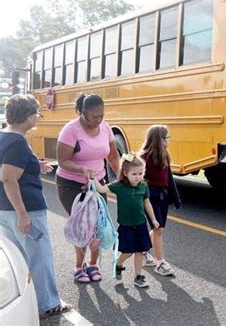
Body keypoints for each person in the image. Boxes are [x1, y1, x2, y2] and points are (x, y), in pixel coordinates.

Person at [0, 94, 72, 319]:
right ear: (26, 116)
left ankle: (29, 300)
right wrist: (23, 214)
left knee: (19, 257)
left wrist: (34, 165)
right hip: (25, 208)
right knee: (39, 257)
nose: (38, 117)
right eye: (36, 113)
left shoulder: (4, 136)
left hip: (5, 208)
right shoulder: (18, 142)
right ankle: (47, 304)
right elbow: (8, 177)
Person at [56, 94, 120, 284]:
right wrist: (82, 169)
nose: (99, 120)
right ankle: (78, 266)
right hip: (71, 184)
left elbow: (113, 157)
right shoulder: (70, 130)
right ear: (83, 113)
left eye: (102, 115)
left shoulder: (105, 127)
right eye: (95, 117)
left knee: (98, 224)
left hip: (97, 183)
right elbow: (62, 161)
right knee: (83, 225)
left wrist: (122, 176)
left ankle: (93, 264)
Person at [91, 153, 160, 288]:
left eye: (140, 173)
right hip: (126, 226)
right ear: (125, 173)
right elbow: (101, 189)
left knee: (141, 251)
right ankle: (118, 264)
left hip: (141, 224)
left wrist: (153, 219)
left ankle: (138, 276)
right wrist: (93, 179)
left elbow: (147, 203)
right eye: (134, 174)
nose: (138, 177)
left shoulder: (143, 187)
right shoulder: (119, 186)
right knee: (128, 252)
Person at [139, 124, 181, 276]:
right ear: (159, 139)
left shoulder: (164, 155)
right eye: (167, 137)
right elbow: (139, 179)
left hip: (163, 196)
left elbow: (169, 178)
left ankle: (143, 250)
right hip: (151, 197)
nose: (168, 140)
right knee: (158, 229)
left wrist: (175, 198)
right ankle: (160, 262)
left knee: (159, 229)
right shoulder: (144, 156)